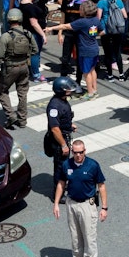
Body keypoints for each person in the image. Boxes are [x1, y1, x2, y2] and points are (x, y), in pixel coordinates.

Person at [52, 139, 106, 257]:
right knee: (75, 237)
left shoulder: (93, 165)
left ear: (85, 151)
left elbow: (101, 186)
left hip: (87, 205)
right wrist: (56, 204)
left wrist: (104, 208)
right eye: (75, 152)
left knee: (89, 238)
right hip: (71, 203)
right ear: (72, 151)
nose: (78, 155)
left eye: (80, 152)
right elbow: (61, 184)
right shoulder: (66, 165)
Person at [47, 0, 104, 100]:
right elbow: (102, 31)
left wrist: (51, 28)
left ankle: (90, 93)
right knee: (92, 70)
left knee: (86, 73)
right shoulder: (96, 20)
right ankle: (94, 90)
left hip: (85, 50)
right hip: (94, 48)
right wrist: (93, 35)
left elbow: (65, 26)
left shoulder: (82, 22)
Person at [0, 9, 38, 130]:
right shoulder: (27, 34)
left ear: (9, 20)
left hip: (10, 68)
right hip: (24, 67)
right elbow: (35, 50)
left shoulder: (5, 37)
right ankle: (22, 119)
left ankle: (11, 115)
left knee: (2, 90)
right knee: (23, 93)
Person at [47, 75, 77, 203]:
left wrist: (69, 126)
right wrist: (64, 145)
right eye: (67, 89)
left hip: (64, 137)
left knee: (64, 166)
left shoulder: (63, 101)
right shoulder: (54, 106)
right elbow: (55, 129)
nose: (70, 90)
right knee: (60, 168)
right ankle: (58, 195)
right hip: (59, 141)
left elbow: (62, 120)